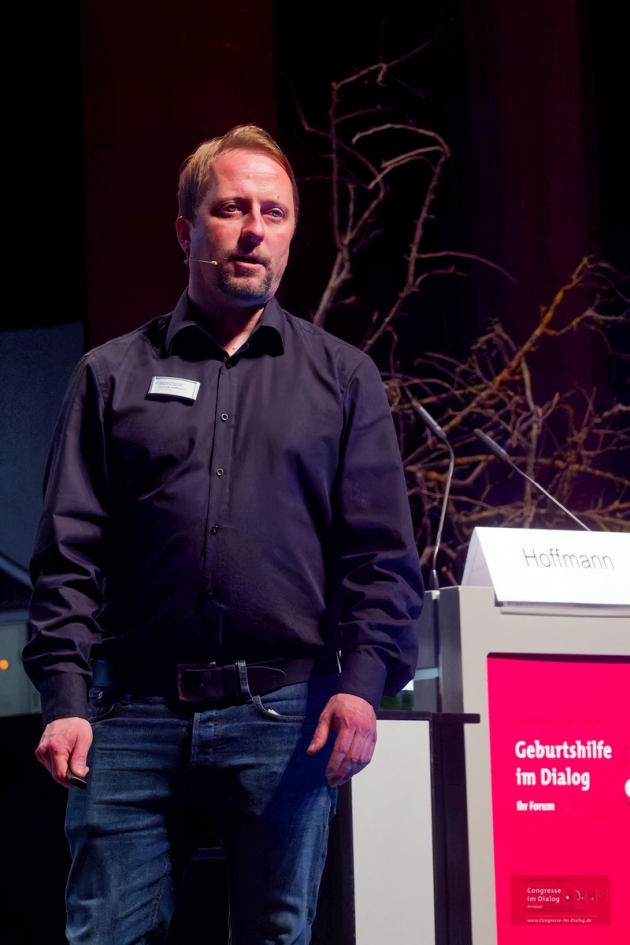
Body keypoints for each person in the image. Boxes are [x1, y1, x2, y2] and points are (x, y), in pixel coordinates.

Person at [23, 124, 423, 945]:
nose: (253, 230)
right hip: (128, 715)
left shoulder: (343, 379)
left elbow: (380, 557)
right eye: (232, 208)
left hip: (287, 715)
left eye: (274, 213)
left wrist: (363, 682)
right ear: (185, 229)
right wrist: (63, 698)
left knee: (277, 937)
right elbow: (68, 555)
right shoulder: (110, 375)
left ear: (291, 233)